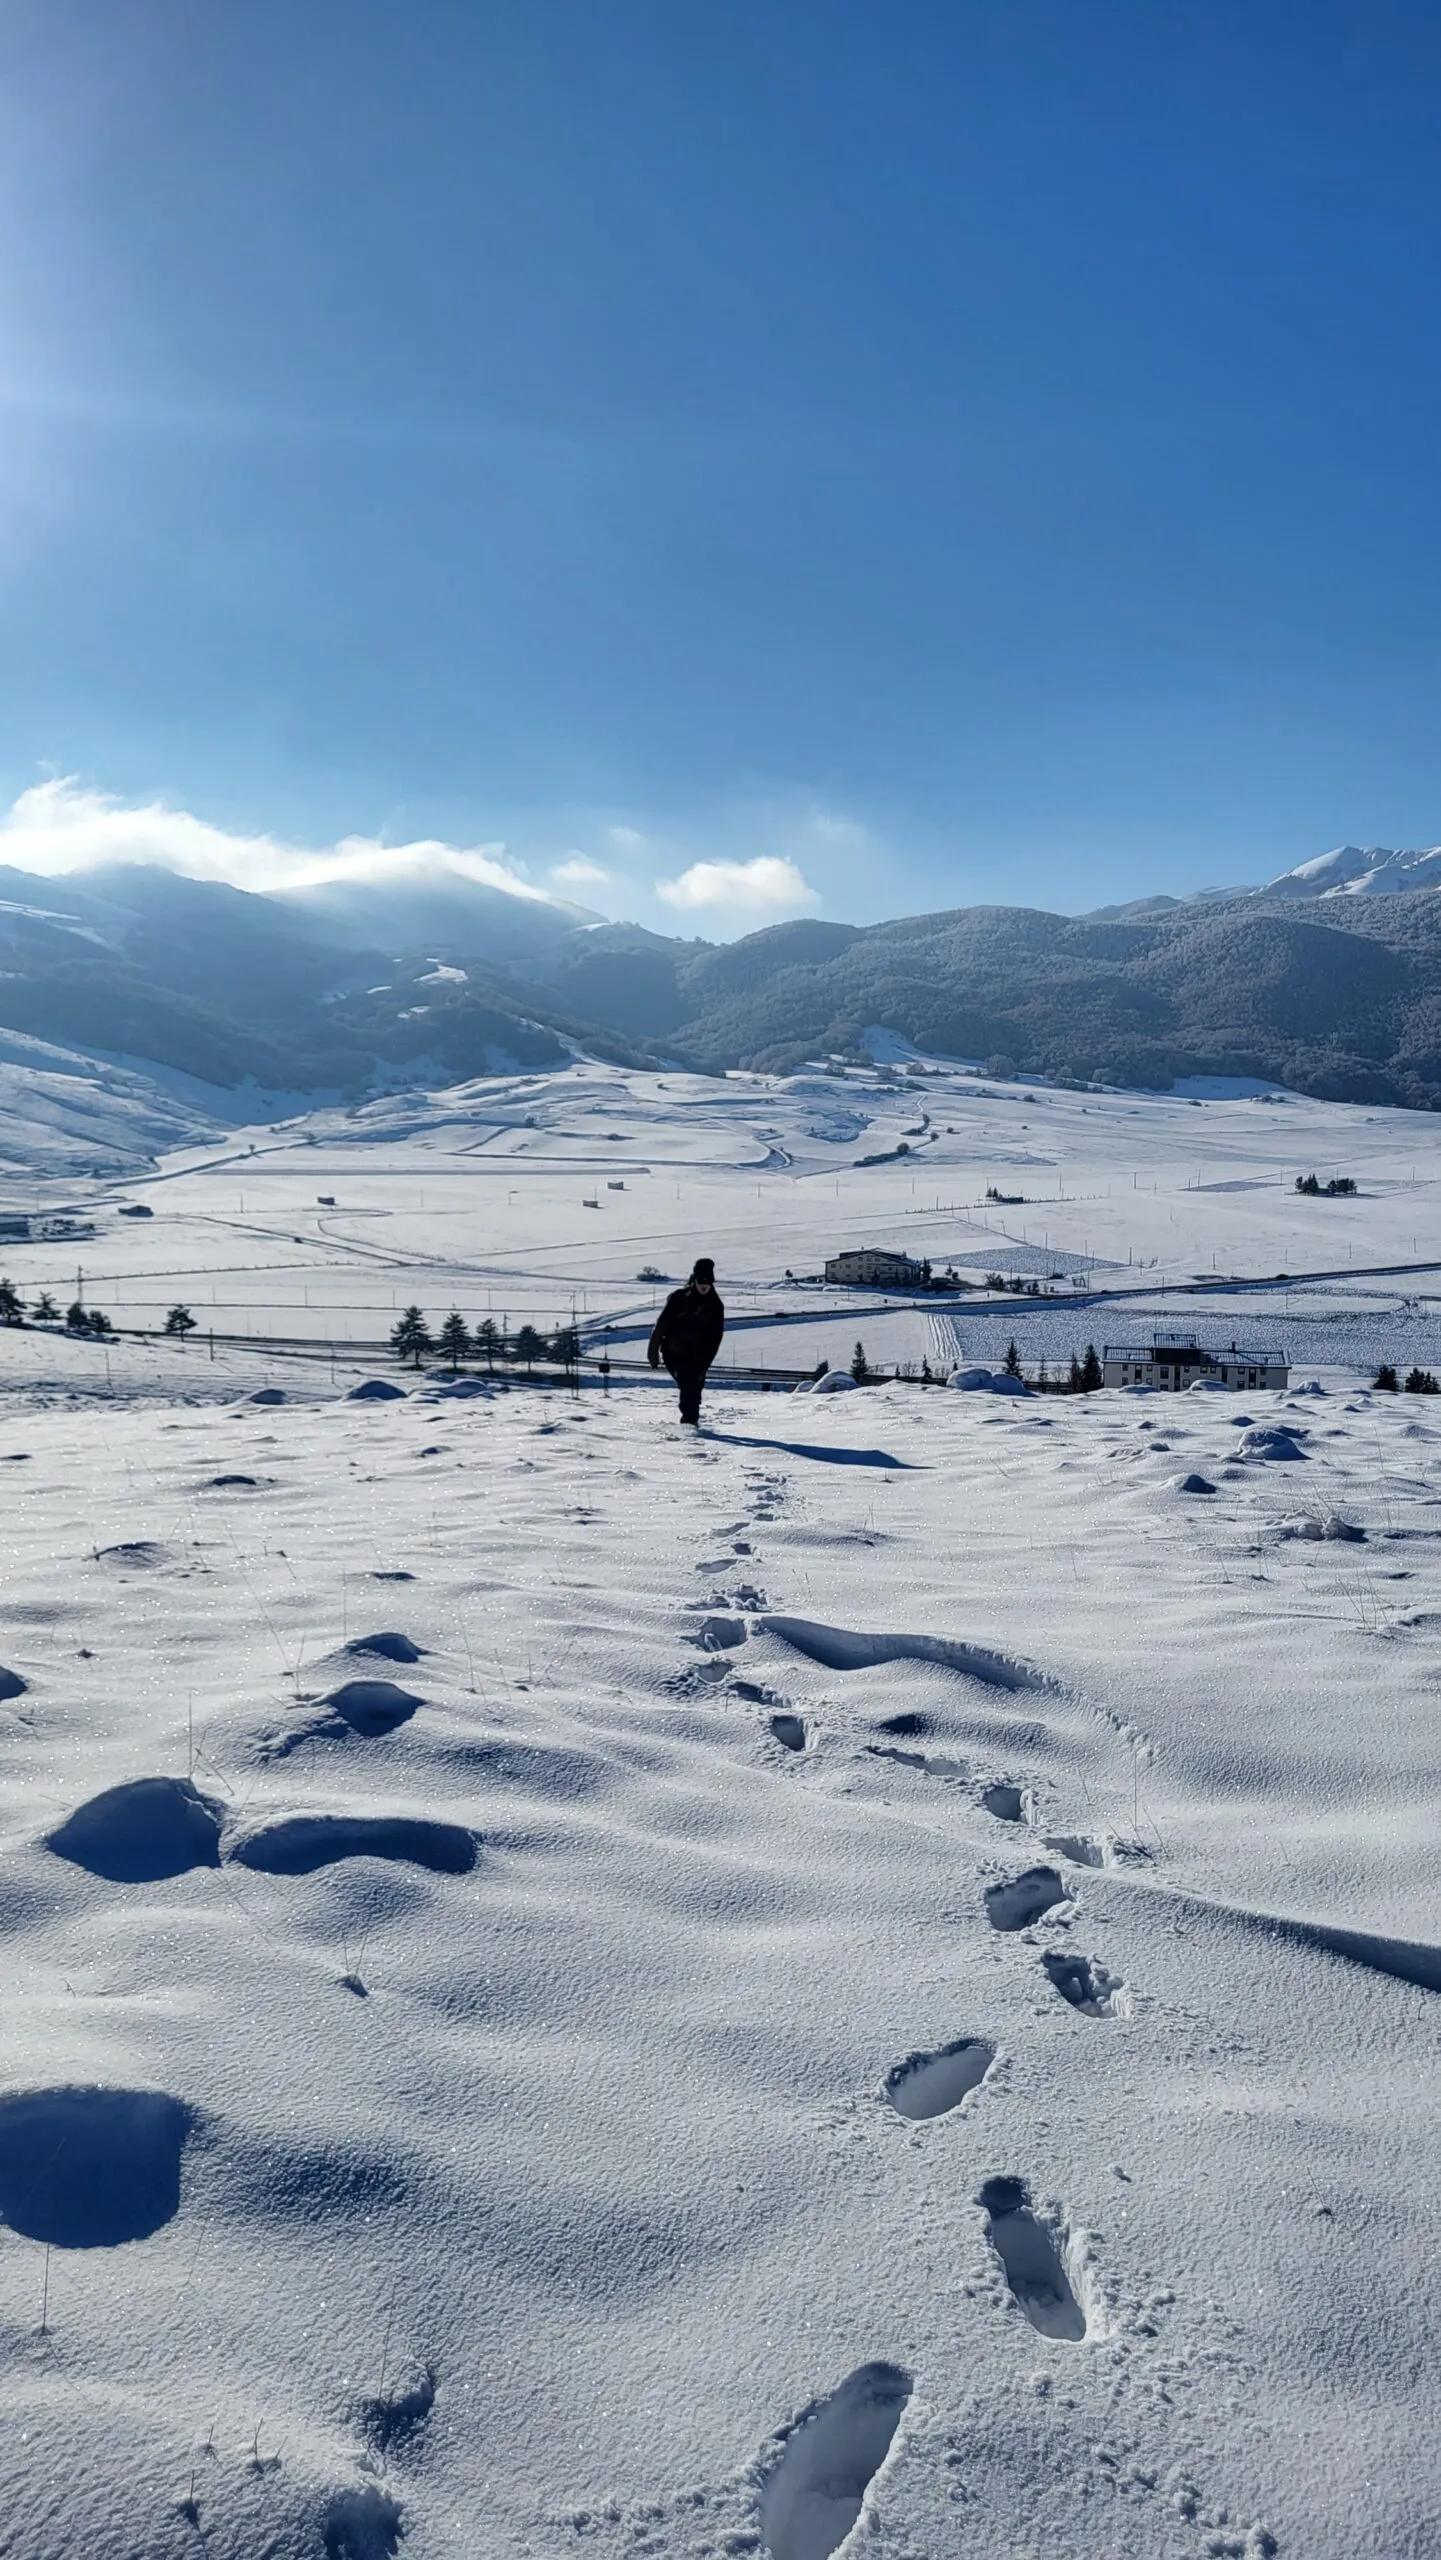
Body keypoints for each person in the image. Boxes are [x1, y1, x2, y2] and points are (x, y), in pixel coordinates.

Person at [647, 1257, 725, 1426]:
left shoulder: (716, 1306)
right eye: (701, 1281)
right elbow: (661, 1325)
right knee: (688, 1383)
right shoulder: (678, 1298)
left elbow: (715, 1339)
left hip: (699, 1355)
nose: (704, 1286)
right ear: (694, 1280)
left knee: (695, 1387)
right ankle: (689, 1423)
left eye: (708, 1282)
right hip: (673, 1351)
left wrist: (704, 1364)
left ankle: (691, 1423)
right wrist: (653, 1351)